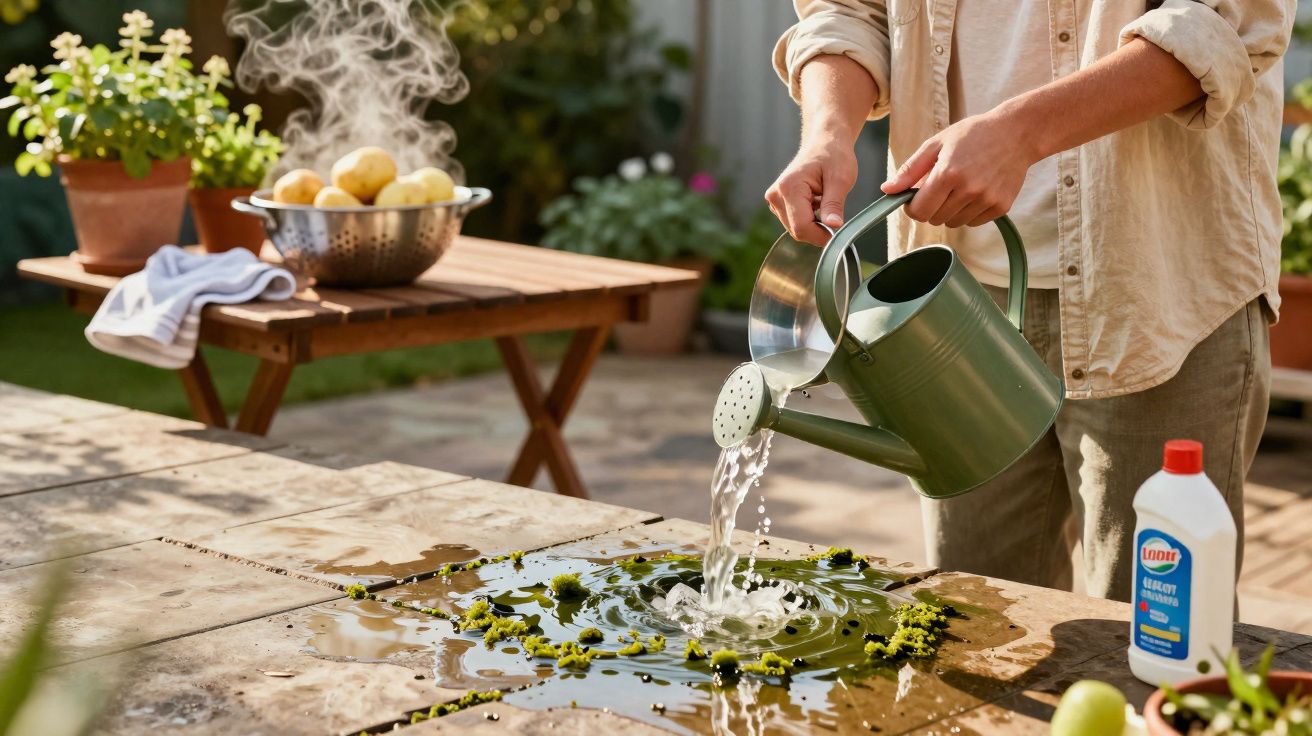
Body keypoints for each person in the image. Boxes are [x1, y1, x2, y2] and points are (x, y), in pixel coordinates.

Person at [766, 0, 1295, 601]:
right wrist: (828, 134)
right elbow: (847, 12)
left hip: (1158, 293)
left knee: (1156, 638)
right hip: (949, 310)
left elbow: (1225, 25)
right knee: (976, 621)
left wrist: (1019, 133)